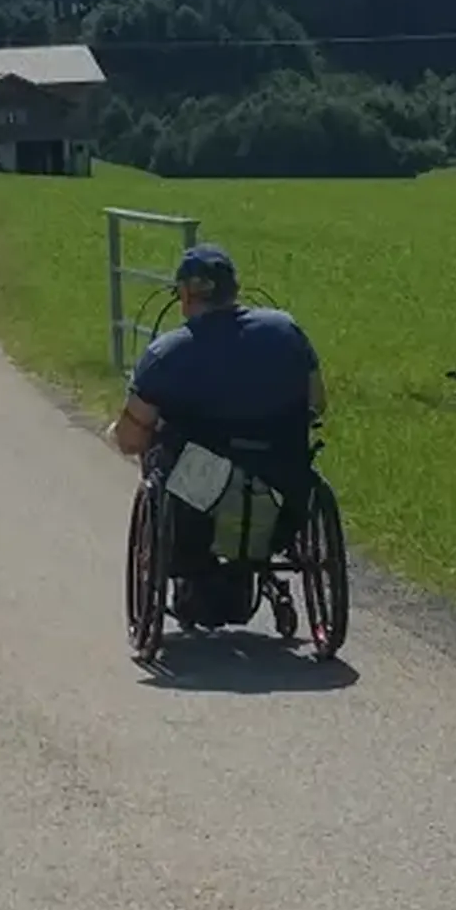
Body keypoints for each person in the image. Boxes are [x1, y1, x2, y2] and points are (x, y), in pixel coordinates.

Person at [106, 243, 328, 626]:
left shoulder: (167, 354)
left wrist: (119, 432)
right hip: (280, 490)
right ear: (234, 290)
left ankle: (184, 574)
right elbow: (317, 403)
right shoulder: (285, 332)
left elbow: (130, 439)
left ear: (186, 295)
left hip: (199, 501)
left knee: (156, 444)